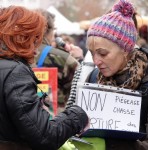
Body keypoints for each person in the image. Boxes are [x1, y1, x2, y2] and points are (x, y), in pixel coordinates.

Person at [0, 6, 89, 150]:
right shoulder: (16, 72)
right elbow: (45, 136)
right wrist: (77, 115)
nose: (37, 47)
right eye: (34, 39)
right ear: (20, 37)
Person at [67, 0, 148, 150]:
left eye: (103, 53)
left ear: (125, 49)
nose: (96, 61)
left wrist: (109, 145)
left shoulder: (147, 80)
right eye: (92, 53)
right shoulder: (92, 76)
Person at [34, 9, 82, 112]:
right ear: (49, 30)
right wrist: (79, 58)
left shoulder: (13, 53)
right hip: (53, 122)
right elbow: (81, 85)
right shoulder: (61, 57)